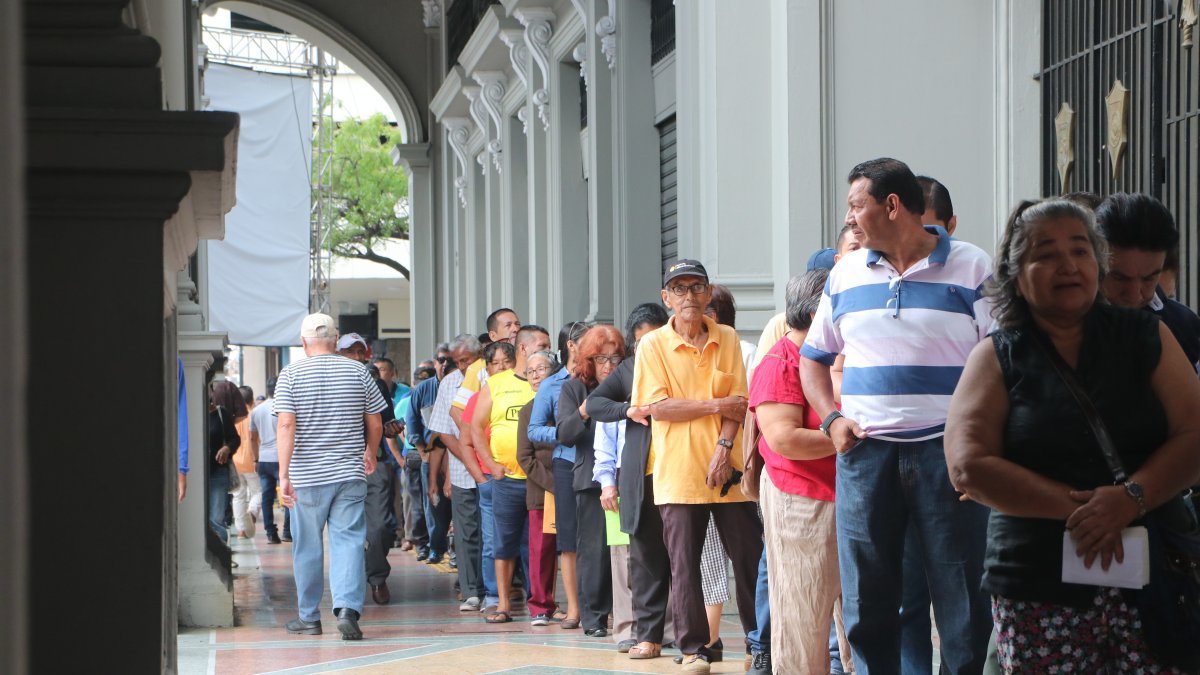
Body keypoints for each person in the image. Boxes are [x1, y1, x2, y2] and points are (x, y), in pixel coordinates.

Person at [944, 198, 1200, 672]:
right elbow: (967, 465)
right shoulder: (998, 355)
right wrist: (1086, 510)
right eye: (1046, 253)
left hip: (1153, 573)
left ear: (1099, 263)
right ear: (1016, 272)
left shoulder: (1148, 336)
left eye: (1080, 250)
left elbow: (1194, 433)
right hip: (1035, 578)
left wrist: (1130, 499)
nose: (1068, 265)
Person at [800, 158, 994, 673]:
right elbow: (812, 359)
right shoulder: (844, 274)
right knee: (867, 598)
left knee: (963, 596)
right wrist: (831, 421)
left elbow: (1004, 360)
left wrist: (983, 447)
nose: (849, 220)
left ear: (891, 206)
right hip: (866, 455)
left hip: (948, 458)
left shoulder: (974, 266)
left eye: (855, 206)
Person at [630, 259, 762, 674]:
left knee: (749, 560)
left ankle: (760, 642)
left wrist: (724, 447)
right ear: (667, 298)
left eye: (696, 287)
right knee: (684, 566)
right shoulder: (652, 346)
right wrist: (714, 404)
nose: (689, 296)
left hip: (730, 472)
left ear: (708, 293)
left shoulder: (727, 336)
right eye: (679, 288)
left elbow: (739, 404)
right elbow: (660, 407)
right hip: (680, 474)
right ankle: (692, 649)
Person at [750, 268, 853, 673]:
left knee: (857, 612)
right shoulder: (781, 361)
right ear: (815, 312)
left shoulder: (835, 358)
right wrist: (850, 435)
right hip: (802, 500)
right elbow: (783, 438)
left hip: (845, 493)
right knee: (803, 612)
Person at [276, 313, 388, 640]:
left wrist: (283, 474)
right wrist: (370, 451)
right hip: (350, 471)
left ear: (303, 341)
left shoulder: (290, 374)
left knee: (308, 547)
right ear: (336, 339)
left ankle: (309, 618)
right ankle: (348, 609)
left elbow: (285, 425)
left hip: (307, 475)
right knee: (349, 542)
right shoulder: (358, 371)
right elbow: (376, 422)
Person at [586, 303, 674, 660]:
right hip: (639, 475)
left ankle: (693, 637)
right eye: (641, 342)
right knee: (643, 558)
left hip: (681, 471)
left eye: (655, 338)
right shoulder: (630, 369)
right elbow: (596, 405)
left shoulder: (678, 364)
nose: (649, 347)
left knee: (682, 557)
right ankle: (646, 634)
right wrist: (629, 410)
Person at [473, 325, 551, 623]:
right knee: (503, 544)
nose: (546, 349)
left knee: (540, 545)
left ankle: (541, 605)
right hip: (507, 480)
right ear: (523, 349)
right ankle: (503, 604)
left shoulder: (548, 383)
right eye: (541, 345)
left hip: (540, 479)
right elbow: (475, 428)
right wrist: (491, 466)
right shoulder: (496, 384)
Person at [558, 325, 624, 639]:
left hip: (628, 476)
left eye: (615, 358)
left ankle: (625, 612)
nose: (609, 365)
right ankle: (594, 616)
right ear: (588, 360)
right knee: (594, 550)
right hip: (590, 479)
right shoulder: (574, 389)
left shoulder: (629, 386)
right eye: (601, 359)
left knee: (628, 549)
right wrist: (588, 407)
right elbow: (565, 434)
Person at [527, 320, 590, 629]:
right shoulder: (553, 384)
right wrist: (565, 432)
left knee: (604, 537)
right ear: (572, 346)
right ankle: (575, 608)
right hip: (566, 463)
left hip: (599, 463)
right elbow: (534, 429)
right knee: (568, 540)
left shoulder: (599, 380)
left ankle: (602, 606)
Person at [1095, 192, 1200, 371]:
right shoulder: (1063, 327)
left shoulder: (1184, 325)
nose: (1135, 295)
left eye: (1149, 278)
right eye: (1119, 278)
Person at [337, 332, 401, 605]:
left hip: (372, 464)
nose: (353, 357)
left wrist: (391, 428)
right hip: (337, 466)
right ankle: (352, 584)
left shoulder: (376, 384)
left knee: (380, 527)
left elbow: (386, 422)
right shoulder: (330, 382)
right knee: (344, 530)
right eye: (347, 352)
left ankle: (376, 576)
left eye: (357, 352)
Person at [515, 350, 562, 626]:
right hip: (542, 491)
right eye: (530, 371)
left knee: (573, 551)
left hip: (573, 486)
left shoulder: (567, 403)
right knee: (541, 551)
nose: (534, 375)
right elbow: (525, 457)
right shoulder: (527, 411)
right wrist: (556, 485)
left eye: (540, 369)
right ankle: (540, 606)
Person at [251, 377, 290, 544]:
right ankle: (288, 531)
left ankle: (270, 532)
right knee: (287, 493)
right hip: (282, 457)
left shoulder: (257, 410)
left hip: (264, 458)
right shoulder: (284, 407)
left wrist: (256, 459)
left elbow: (252, 438)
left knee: (267, 496)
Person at [206, 381, 241, 543]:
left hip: (218, 472)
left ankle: (220, 558)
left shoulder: (221, 414)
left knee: (216, 518)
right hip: (195, 473)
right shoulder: (188, 414)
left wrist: (227, 448)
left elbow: (235, 439)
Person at [230, 385, 261, 539]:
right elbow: (256, 439)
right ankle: (252, 512)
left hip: (235, 461)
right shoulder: (253, 415)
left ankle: (241, 529)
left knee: (238, 495)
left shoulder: (233, 417)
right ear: (251, 399)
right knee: (258, 492)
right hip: (251, 460)